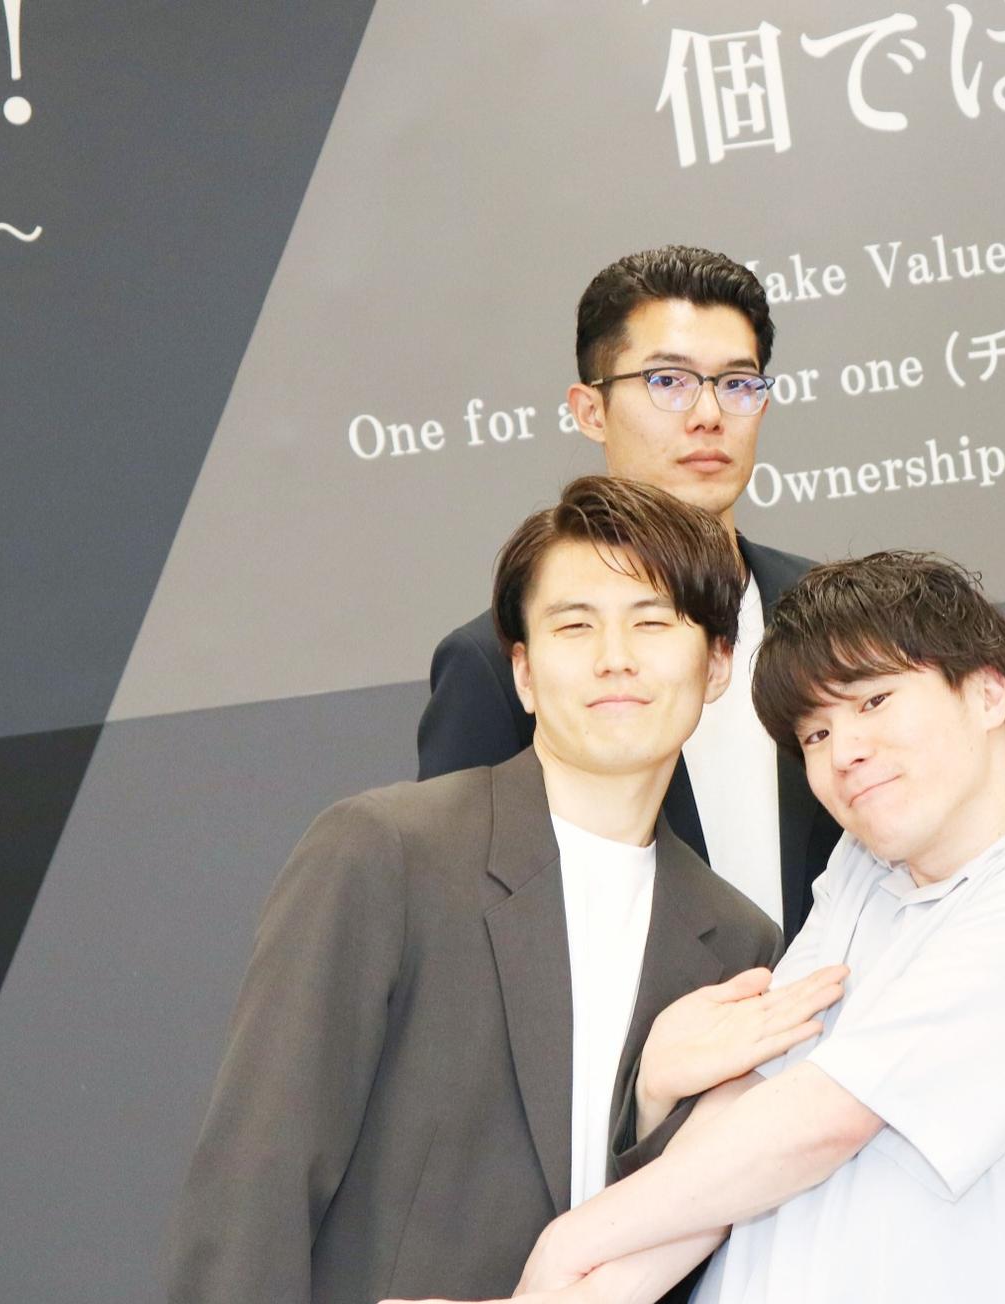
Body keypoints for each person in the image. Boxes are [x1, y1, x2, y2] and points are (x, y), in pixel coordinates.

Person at [407, 551, 1005, 1304]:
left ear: (985, 694)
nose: (845, 752)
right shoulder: (863, 867)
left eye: (873, 702)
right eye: (815, 734)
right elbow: (741, 1112)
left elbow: (820, 1122)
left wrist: (570, 1241)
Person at [167, 477, 836, 1303]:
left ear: (718, 664)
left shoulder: (736, 940)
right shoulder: (389, 854)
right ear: (523, 671)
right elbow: (254, 1181)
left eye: (652, 622)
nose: (615, 657)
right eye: (575, 625)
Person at [418, 246, 838, 935]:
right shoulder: (497, 660)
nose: (709, 415)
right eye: (668, 381)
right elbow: (463, 918)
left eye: (738, 384)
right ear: (590, 410)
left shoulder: (830, 613)